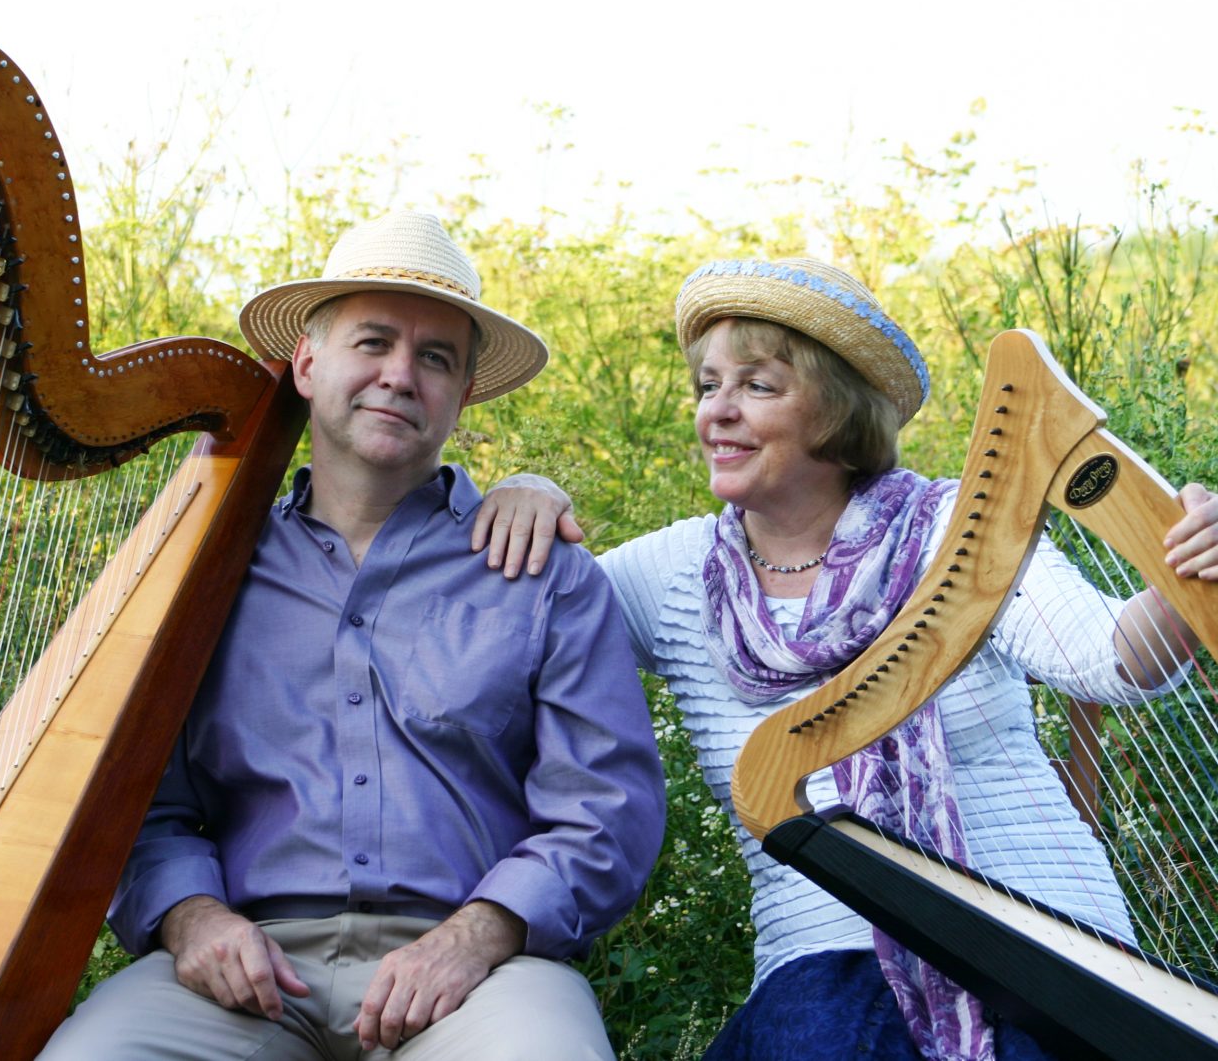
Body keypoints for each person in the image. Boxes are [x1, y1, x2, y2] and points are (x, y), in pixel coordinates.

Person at [473, 257, 1218, 1060]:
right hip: (822, 964)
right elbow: (513, 654)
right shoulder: (671, 574)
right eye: (707, 385)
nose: (715, 412)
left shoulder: (952, 532)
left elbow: (1108, 656)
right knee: (821, 1032)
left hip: (1049, 952)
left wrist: (1190, 570)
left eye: (756, 385)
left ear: (835, 406)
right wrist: (528, 489)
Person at [40, 211, 666, 1061]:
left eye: (436, 357)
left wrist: (475, 936)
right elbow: (142, 805)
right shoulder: (202, 571)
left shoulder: (543, 569)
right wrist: (193, 918)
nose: (400, 375)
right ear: (307, 363)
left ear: (463, 393)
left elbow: (606, 809)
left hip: (479, 972)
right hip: (247, 962)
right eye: (372, 341)